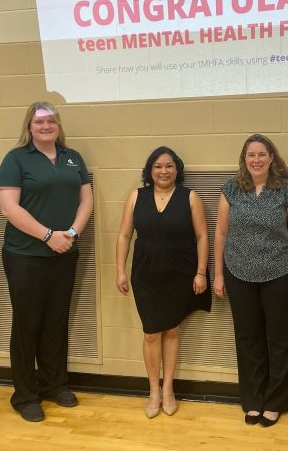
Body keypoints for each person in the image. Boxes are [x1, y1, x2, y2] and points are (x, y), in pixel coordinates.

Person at [0, 101, 94, 422]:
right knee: (28, 324)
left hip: (65, 252)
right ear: (29, 127)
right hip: (25, 255)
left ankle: (54, 384)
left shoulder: (72, 157)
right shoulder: (16, 159)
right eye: (39, 122)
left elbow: (86, 199)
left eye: (51, 120)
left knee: (56, 320)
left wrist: (72, 233)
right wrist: (48, 235)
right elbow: (10, 208)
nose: (46, 126)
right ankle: (24, 395)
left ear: (58, 125)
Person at [213, 133, 288, 427]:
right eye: (251, 155)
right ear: (244, 159)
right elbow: (220, 233)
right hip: (238, 272)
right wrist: (217, 274)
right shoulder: (231, 189)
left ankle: (277, 401)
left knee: (281, 339)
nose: (256, 160)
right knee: (248, 338)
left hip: (280, 272)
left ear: (271, 158)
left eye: (262, 154)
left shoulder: (287, 190)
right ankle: (254, 398)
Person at [116, 146, 211, 418]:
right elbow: (124, 236)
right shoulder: (136, 196)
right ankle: (153, 391)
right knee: (150, 333)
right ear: (150, 170)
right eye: (158, 166)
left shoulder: (190, 197)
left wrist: (201, 272)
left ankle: (168, 389)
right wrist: (120, 271)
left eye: (169, 165)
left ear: (177, 169)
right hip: (145, 275)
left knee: (171, 331)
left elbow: (203, 236)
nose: (164, 171)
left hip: (180, 274)